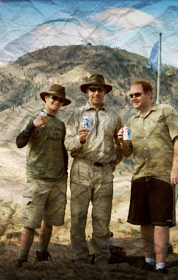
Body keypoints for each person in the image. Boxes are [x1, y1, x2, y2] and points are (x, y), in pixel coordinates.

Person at [118, 80, 178, 274]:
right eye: (131, 96)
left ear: (149, 94)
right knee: (144, 221)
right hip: (140, 175)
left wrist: (176, 169)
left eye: (137, 95)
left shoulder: (165, 112)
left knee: (160, 222)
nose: (133, 99)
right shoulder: (131, 121)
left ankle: (161, 264)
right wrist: (122, 142)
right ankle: (148, 260)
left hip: (162, 175)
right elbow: (127, 153)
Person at [65, 74, 123, 265]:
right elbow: (67, 143)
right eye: (92, 89)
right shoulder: (77, 114)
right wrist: (79, 140)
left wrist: (114, 161)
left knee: (102, 218)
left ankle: (102, 258)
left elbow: (121, 143)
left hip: (105, 172)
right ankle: (80, 258)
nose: (96, 93)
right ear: (87, 92)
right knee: (78, 216)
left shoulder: (114, 116)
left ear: (105, 92)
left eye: (100, 89)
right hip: (81, 168)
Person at [15, 84, 71, 267]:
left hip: (57, 180)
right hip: (37, 179)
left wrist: (65, 174)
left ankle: (41, 255)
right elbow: (19, 142)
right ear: (46, 98)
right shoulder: (34, 119)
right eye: (53, 98)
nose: (56, 102)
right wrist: (33, 125)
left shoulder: (60, 125)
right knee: (30, 223)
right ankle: (22, 260)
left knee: (49, 222)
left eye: (60, 100)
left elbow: (62, 150)